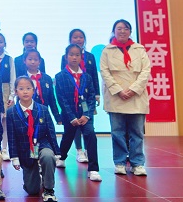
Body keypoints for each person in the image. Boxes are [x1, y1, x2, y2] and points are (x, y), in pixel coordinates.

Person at [100, 19, 151, 176]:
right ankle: (120, 162)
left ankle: (138, 163)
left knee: (137, 132)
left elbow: (146, 71)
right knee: (117, 132)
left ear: (130, 31)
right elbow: (105, 72)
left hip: (136, 97)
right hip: (116, 97)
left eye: (126, 28)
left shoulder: (139, 49)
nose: (122, 31)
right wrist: (118, 90)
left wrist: (133, 89)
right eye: (119, 28)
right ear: (114, 31)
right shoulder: (107, 51)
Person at [7, 76, 60, 202]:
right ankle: (35, 175)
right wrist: (14, 157)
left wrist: (56, 152)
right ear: (16, 91)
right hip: (25, 149)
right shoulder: (11, 112)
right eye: (21, 89)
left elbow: (51, 132)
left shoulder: (43, 109)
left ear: (34, 90)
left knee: (48, 156)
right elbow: (11, 137)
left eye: (28, 88)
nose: (25, 91)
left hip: (42, 144)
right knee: (32, 190)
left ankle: (49, 189)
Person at [54, 44, 101, 181]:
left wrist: (87, 115)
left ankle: (93, 169)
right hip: (70, 114)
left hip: (85, 114)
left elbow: (91, 97)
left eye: (77, 55)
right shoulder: (60, 76)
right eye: (71, 55)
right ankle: (62, 157)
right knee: (68, 136)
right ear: (66, 57)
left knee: (90, 134)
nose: (74, 57)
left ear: (81, 57)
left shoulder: (87, 77)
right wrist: (72, 117)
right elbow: (61, 99)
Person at [59, 28, 100, 164]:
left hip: (86, 98)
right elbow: (63, 79)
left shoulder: (90, 57)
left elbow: (94, 76)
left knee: (89, 129)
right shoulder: (63, 62)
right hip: (71, 98)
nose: (78, 39)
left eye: (81, 37)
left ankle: (90, 158)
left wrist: (97, 94)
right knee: (70, 131)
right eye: (75, 37)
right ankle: (78, 150)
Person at [0, 32, 15, 161]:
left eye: (0, 42)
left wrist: (12, 95)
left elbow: (13, 77)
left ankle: (4, 149)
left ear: (5, 44)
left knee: (4, 122)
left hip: (5, 92)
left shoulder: (9, 59)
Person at [24, 49, 61, 125]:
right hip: (27, 115)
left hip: (44, 114)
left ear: (39, 61)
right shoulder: (22, 79)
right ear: (24, 61)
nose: (33, 62)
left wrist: (57, 118)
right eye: (30, 59)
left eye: (35, 59)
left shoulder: (47, 78)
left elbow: (52, 100)